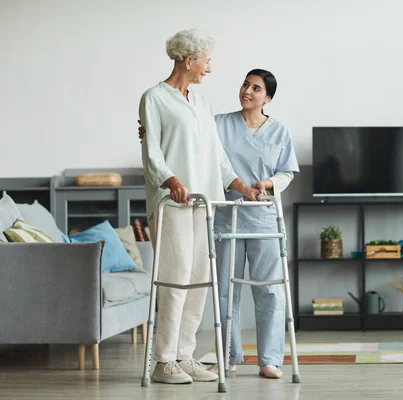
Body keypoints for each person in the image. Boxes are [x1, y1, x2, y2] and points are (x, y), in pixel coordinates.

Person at [138, 69, 299, 379]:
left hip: (263, 216)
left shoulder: (280, 131)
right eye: (245, 84)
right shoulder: (218, 122)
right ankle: (229, 356)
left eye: (256, 88)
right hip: (223, 214)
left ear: (268, 97)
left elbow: (287, 172)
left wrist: (268, 183)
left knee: (269, 291)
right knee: (224, 291)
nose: (247, 91)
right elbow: (187, 135)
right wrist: (150, 131)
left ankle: (270, 360)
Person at [139, 28, 259, 385]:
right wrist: (171, 181)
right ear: (189, 60)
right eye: (206, 61)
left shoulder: (200, 102)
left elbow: (216, 154)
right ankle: (163, 362)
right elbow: (152, 152)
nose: (210, 68)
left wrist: (240, 186)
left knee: (198, 280)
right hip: (173, 203)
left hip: (204, 203)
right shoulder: (154, 98)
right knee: (175, 281)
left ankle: (184, 355)